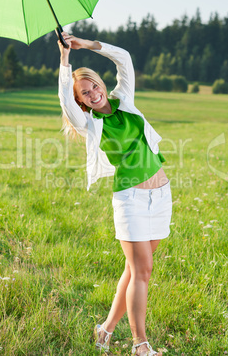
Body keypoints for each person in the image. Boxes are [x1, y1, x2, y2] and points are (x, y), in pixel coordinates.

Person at [57, 32, 172, 356]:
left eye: (94, 85)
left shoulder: (125, 100)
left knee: (134, 271)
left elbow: (124, 59)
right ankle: (140, 344)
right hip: (130, 201)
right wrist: (65, 60)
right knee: (143, 272)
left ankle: (104, 331)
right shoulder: (89, 123)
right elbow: (65, 98)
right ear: (81, 101)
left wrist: (87, 44)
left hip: (161, 195)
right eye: (85, 92)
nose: (92, 93)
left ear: (101, 84)